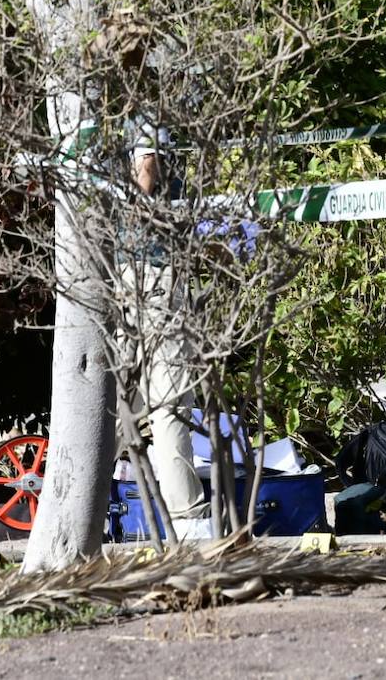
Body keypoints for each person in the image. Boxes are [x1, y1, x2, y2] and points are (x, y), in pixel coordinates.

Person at [122, 119, 214, 541]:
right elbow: (147, 169)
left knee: (118, 397)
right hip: (154, 273)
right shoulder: (148, 106)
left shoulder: (100, 106)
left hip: (120, 274)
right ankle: (189, 516)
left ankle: (87, 496)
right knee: (170, 399)